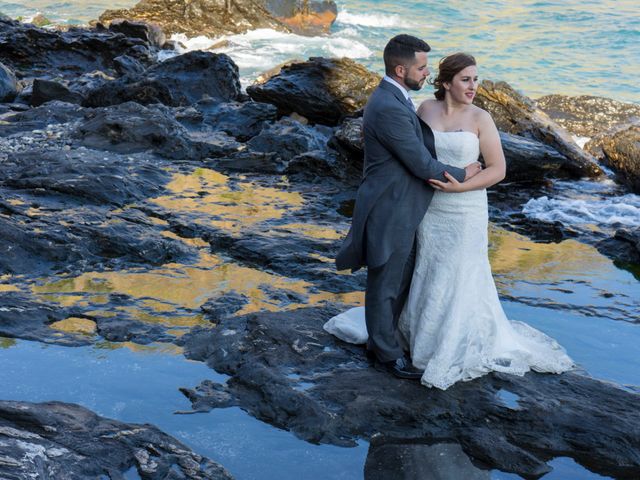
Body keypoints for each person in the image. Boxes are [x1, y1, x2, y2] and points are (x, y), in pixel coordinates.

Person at [328, 50, 574, 389]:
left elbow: (498, 170)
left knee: (459, 272)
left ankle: (451, 340)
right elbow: (412, 156)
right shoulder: (423, 110)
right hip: (428, 208)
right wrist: (450, 178)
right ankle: (412, 336)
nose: (473, 86)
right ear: (445, 83)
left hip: (465, 208)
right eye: (465, 80)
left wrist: (462, 187)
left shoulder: (481, 119)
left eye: (475, 79)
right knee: (426, 270)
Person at [334, 35, 483, 379]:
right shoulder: (387, 106)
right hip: (390, 206)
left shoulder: (397, 98)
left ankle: (384, 343)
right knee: (385, 282)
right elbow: (420, 163)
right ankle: (385, 356)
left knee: (399, 279)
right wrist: (466, 172)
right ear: (401, 70)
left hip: (405, 206)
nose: (427, 74)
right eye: (421, 67)